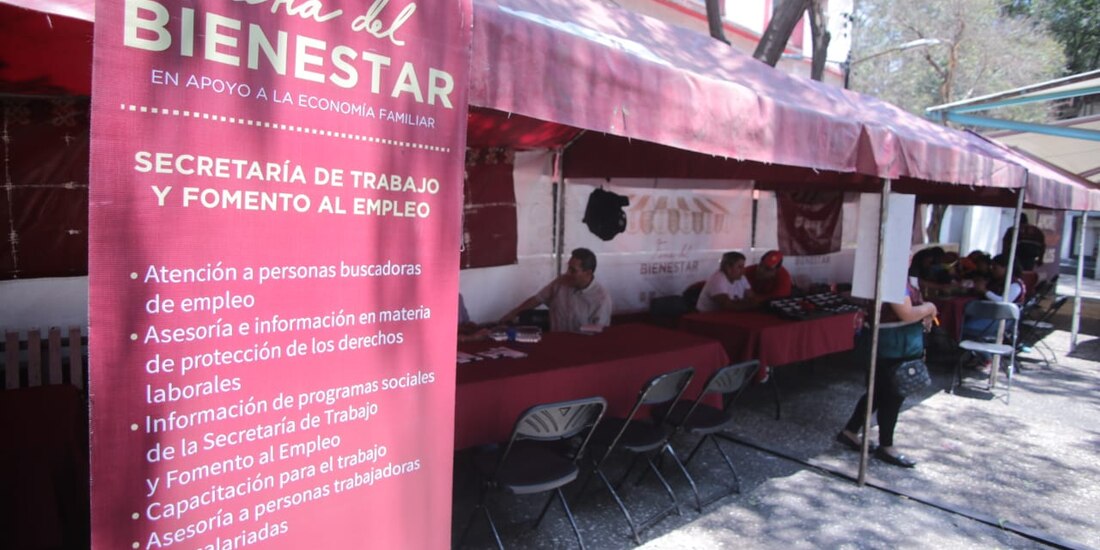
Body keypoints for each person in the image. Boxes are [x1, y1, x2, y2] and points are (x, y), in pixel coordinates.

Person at [838, 276, 937, 469]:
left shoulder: (892, 277)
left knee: (877, 393)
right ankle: (886, 446)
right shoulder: (894, 279)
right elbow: (906, 313)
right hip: (893, 347)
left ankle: (850, 431)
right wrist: (930, 307)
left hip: (891, 345)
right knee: (892, 397)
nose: (909, 260)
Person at [498, 248, 612, 332]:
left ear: (588, 273)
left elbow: (599, 333)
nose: (568, 273)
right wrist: (513, 313)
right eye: (568, 268)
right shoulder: (561, 282)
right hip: (555, 342)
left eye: (573, 270)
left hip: (581, 348)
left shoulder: (601, 299)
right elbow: (537, 299)